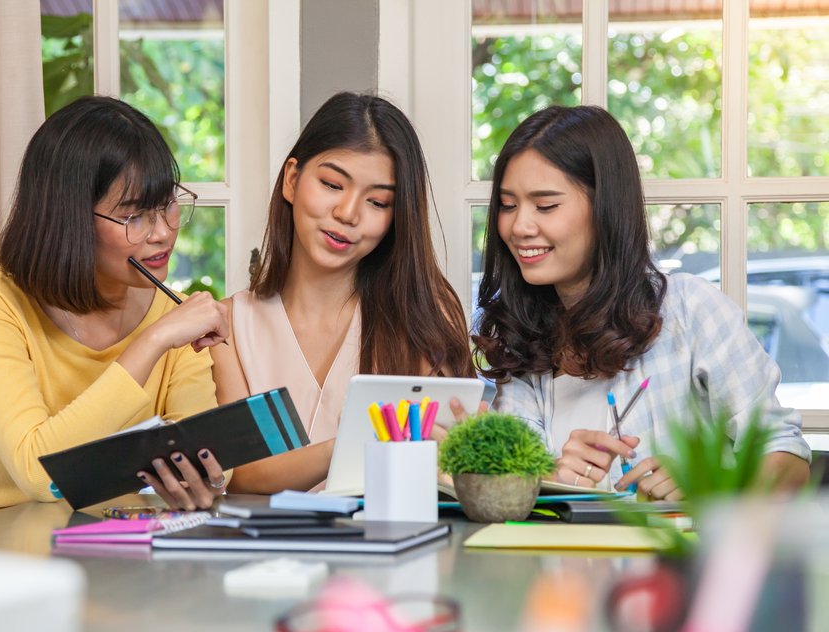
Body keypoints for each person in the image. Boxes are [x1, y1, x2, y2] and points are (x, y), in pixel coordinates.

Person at [0, 96, 230, 533]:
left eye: (167, 204)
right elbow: (40, 473)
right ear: (71, 217)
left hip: (91, 536)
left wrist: (204, 480)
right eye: (134, 216)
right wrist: (151, 343)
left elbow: (207, 459)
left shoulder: (170, 313)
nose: (163, 232)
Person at [471, 105, 810, 500]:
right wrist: (552, 478)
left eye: (545, 206)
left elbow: (787, 458)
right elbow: (512, 497)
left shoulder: (689, 309)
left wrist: (708, 485)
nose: (519, 227)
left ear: (606, 208)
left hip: (683, 561)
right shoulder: (520, 338)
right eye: (508, 205)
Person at [210, 92, 475, 494]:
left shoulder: (423, 316)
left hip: (394, 549)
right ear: (292, 180)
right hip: (263, 555)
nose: (348, 213)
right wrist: (371, 439)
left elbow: (447, 467)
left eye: (378, 201)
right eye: (333, 184)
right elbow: (243, 475)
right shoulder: (227, 326)